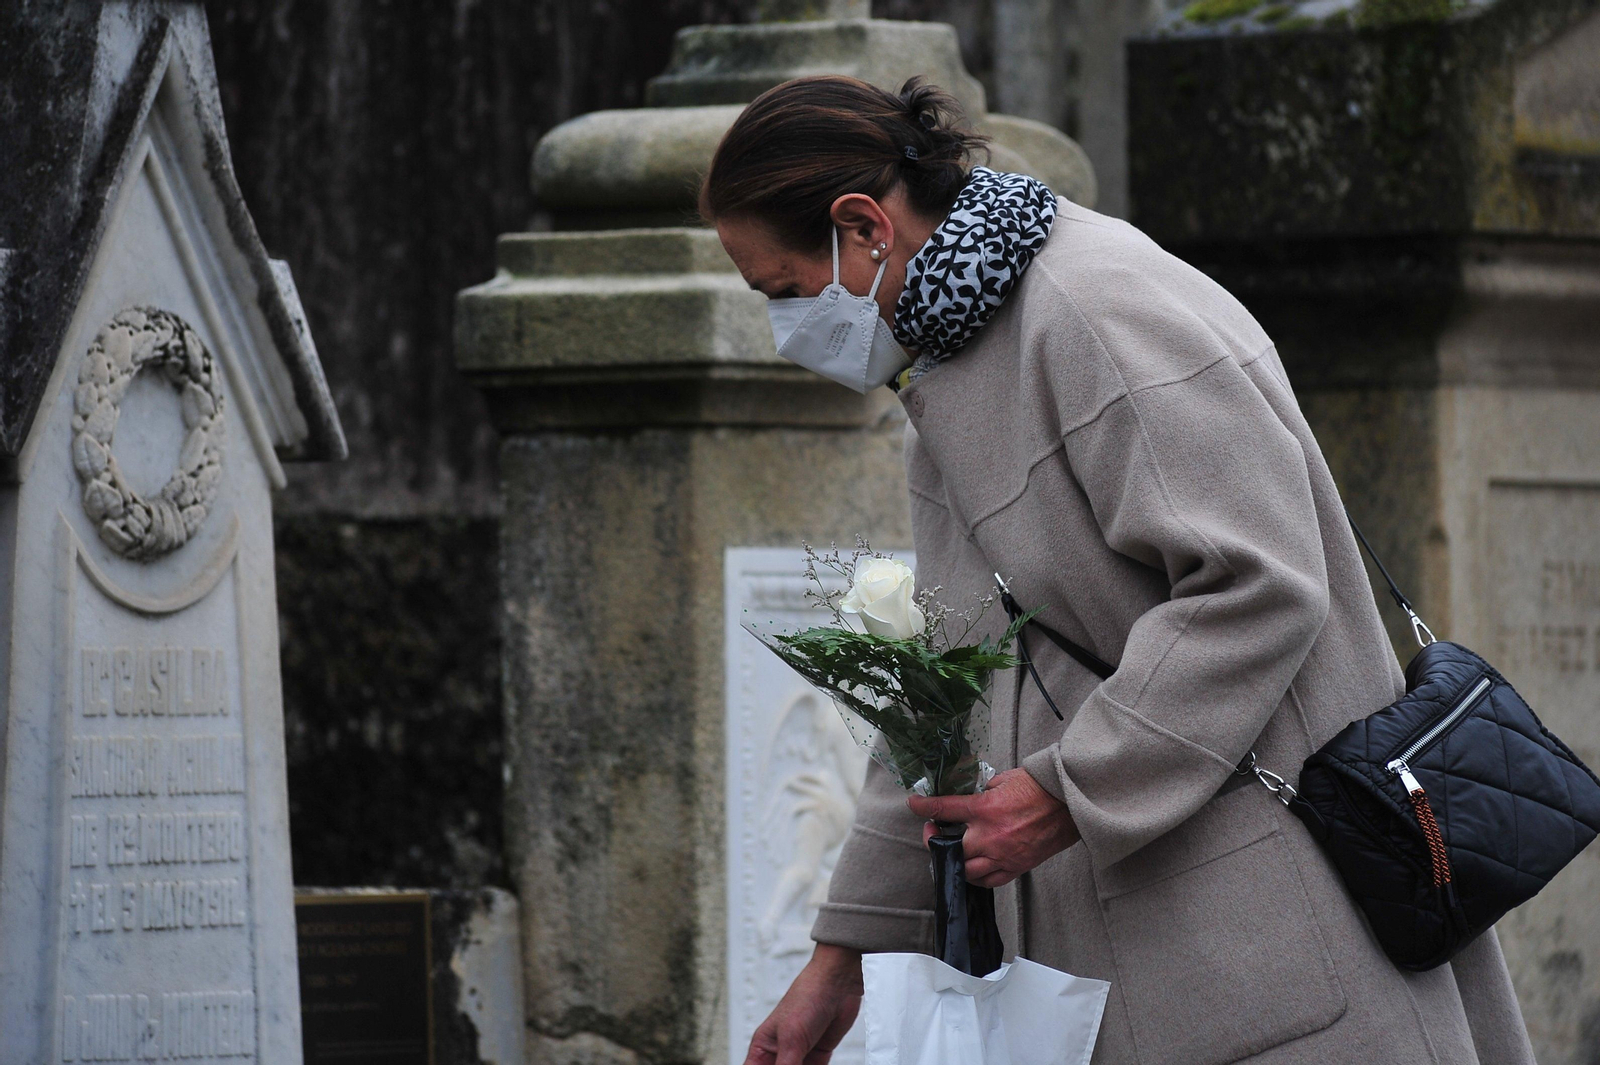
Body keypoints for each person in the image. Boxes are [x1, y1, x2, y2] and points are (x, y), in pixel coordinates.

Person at [701, 74, 1537, 1065]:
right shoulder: (956, 359)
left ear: (862, 226)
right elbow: (946, 690)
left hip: (1273, 959)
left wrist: (1066, 790)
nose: (786, 330)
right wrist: (840, 961)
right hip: (1154, 966)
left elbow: (1259, 583)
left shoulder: (1092, 312)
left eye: (784, 292)